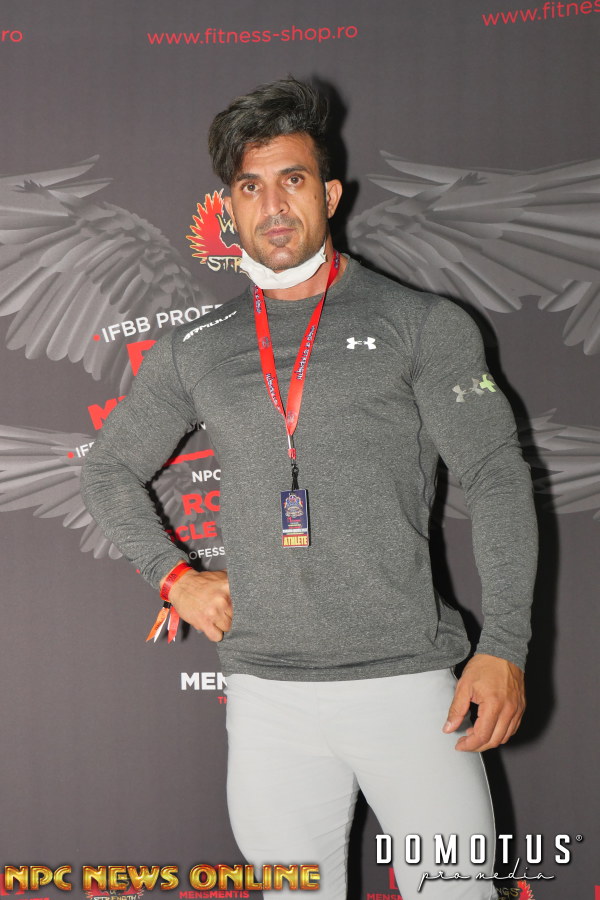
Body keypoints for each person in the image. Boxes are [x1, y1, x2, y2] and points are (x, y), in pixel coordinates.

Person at [81, 78, 538, 900]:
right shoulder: (199, 347)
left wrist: (504, 644)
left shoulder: (420, 323)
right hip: (267, 702)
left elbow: (497, 477)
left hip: (410, 691)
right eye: (250, 186)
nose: (273, 205)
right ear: (229, 208)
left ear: (328, 194)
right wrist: (174, 576)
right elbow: (107, 468)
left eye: (291, 179)